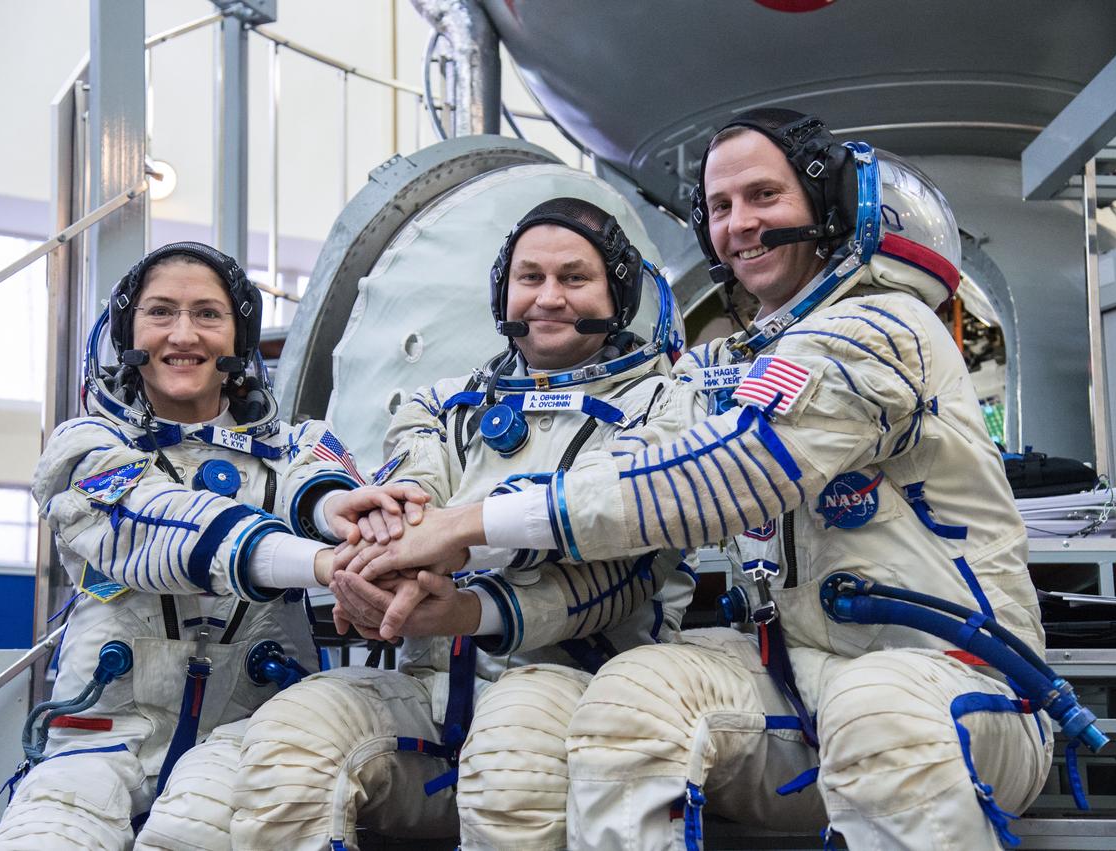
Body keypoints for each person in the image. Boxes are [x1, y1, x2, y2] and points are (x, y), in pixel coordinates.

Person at [340, 112, 1064, 850]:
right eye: (719, 207)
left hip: (961, 685)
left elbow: (732, 470)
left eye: (762, 197)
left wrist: (466, 525)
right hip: (803, 681)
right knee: (631, 699)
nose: (739, 224)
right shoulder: (732, 365)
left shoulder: (882, 327)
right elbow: (623, 469)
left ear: (828, 206)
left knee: (877, 711)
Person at [228, 198, 697, 851]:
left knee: (511, 764)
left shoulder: (668, 403)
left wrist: (464, 592)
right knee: (293, 739)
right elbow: (414, 491)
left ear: (615, 290)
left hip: (581, 686)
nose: (548, 297)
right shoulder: (444, 403)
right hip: (431, 685)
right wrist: (381, 565)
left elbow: (619, 561)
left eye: (574, 277)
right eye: (529, 278)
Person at [0, 242, 421, 851]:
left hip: (245, 737)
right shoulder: (85, 448)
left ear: (238, 337)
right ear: (128, 331)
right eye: (161, 312)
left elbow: (319, 492)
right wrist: (317, 561)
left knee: (189, 831)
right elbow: (159, 522)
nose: (183, 334)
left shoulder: (302, 447)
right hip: (100, 738)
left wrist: (339, 516)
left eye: (208, 315)